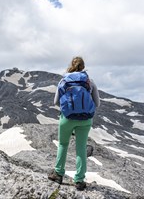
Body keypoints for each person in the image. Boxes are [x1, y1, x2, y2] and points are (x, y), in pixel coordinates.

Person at [48, 56, 100, 191]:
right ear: (83, 67)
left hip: (67, 119)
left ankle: (58, 174)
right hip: (85, 120)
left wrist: (69, 108)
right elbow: (97, 103)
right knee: (81, 148)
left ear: (71, 65)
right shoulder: (90, 82)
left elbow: (56, 102)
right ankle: (79, 180)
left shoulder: (63, 80)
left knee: (63, 144)